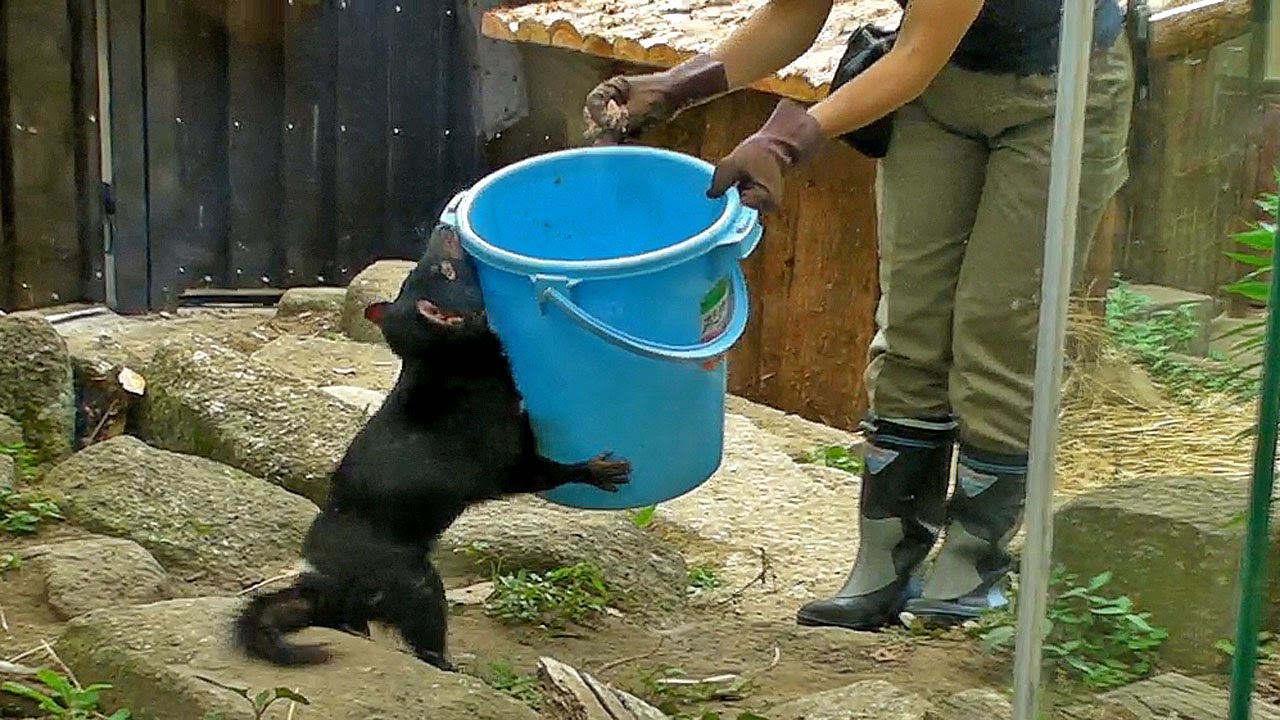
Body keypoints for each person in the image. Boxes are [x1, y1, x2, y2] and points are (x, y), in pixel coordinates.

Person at [581, 0, 1134, 629]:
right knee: (911, 325)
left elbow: (915, 56)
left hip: (1057, 94)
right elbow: (794, 15)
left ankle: (973, 561)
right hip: (942, 92)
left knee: (999, 327)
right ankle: (885, 559)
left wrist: (785, 143)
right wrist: (675, 86)